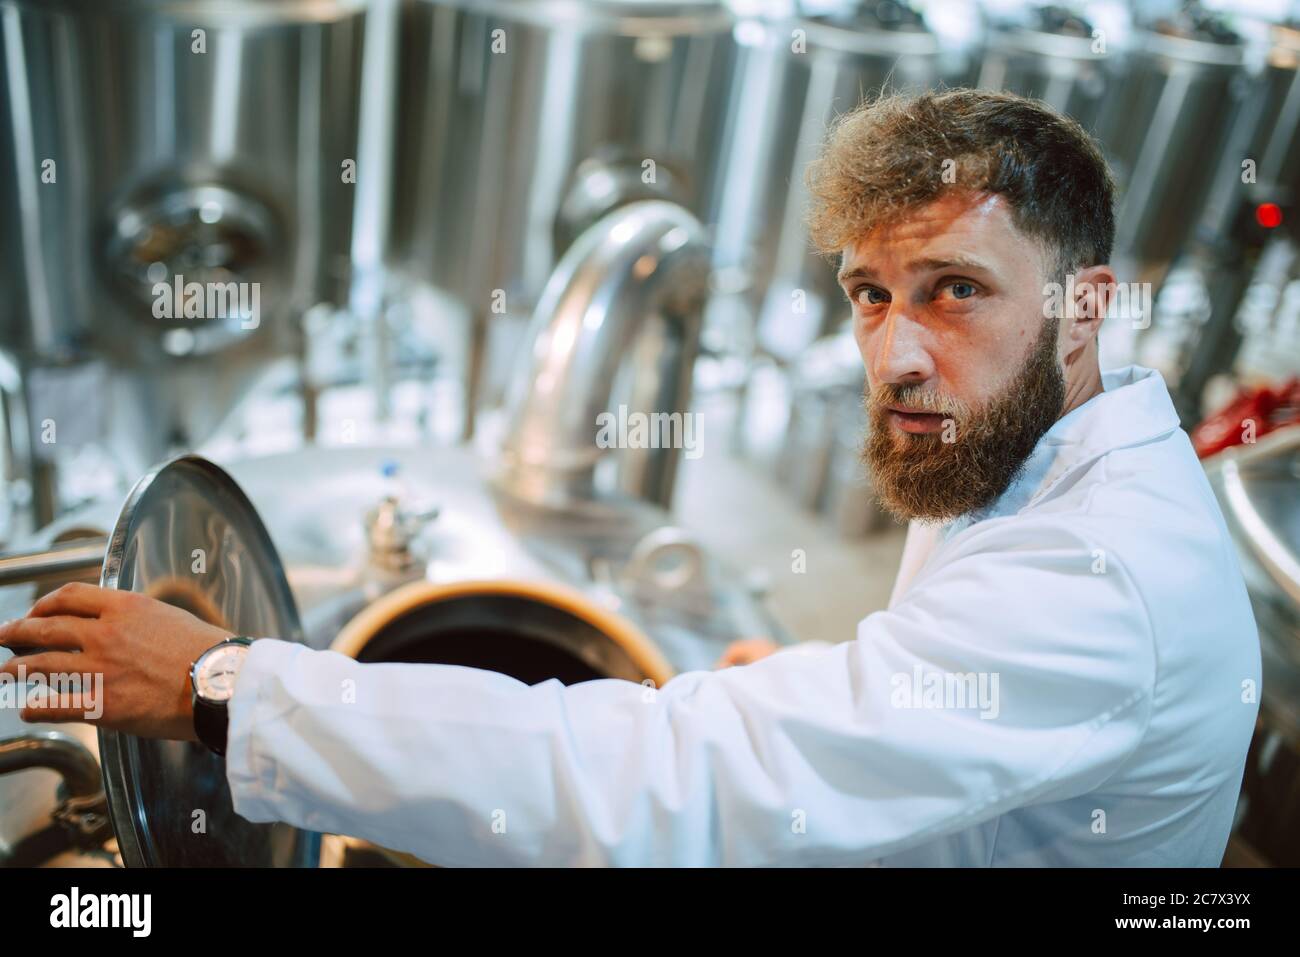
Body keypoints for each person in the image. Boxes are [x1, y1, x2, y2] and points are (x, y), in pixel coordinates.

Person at [0, 89, 1261, 866]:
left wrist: (224, 688)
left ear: (1087, 304)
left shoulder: (1105, 583)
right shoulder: (1028, 449)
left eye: (956, 293)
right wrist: (866, 695)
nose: (896, 354)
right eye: (870, 296)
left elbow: (667, 786)